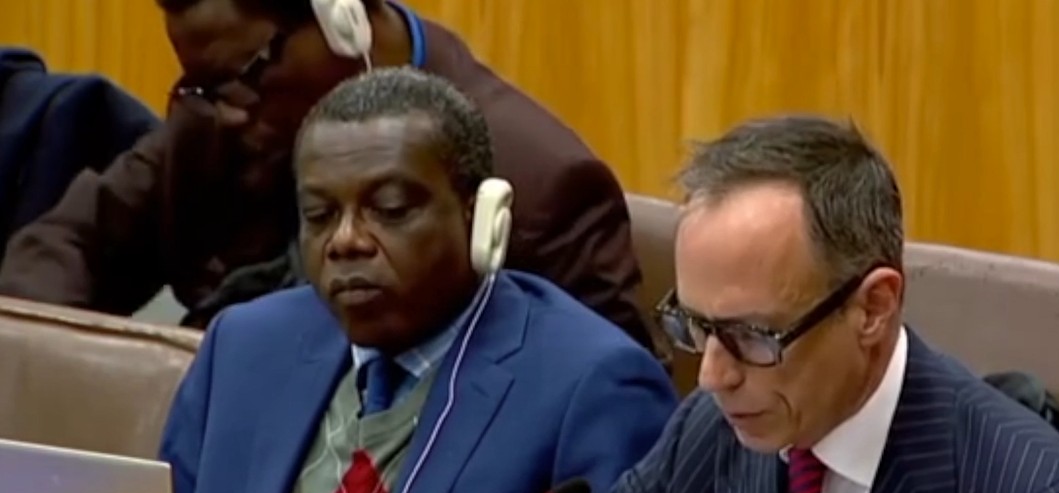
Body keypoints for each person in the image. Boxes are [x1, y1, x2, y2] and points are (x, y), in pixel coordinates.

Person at [501, 115, 1059, 493]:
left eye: (753, 335)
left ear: (873, 307)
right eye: (694, 326)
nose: (712, 374)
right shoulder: (706, 435)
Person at [158, 67, 677, 493]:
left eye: (390, 210)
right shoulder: (244, 347)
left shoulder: (592, 387)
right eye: (319, 215)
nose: (345, 241)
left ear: (481, 217)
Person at [0, 0, 657, 356]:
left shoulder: (538, 184)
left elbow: (617, 408)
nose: (229, 111)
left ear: (342, 20)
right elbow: (67, 245)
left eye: (246, 74)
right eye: (203, 85)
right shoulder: (225, 116)